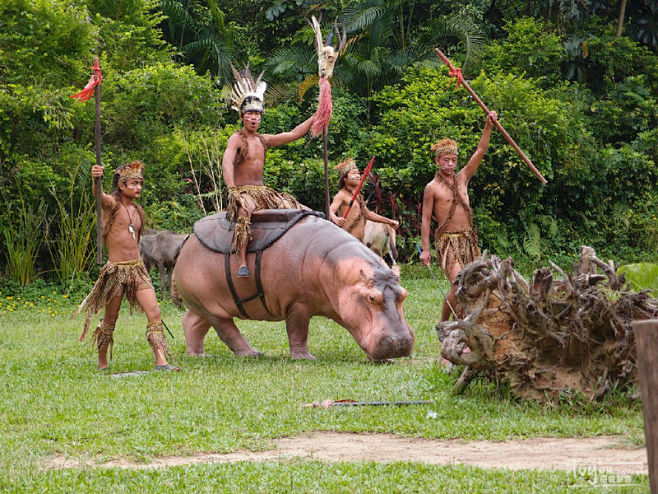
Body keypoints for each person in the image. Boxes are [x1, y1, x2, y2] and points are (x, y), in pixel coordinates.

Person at [73, 161, 178, 371]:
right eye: (134, 183)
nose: (138, 187)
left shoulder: (137, 211)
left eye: (140, 183)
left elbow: (135, 240)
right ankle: (102, 362)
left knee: (155, 313)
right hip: (116, 271)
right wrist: (96, 180)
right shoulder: (112, 204)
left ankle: (161, 361)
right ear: (122, 185)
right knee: (110, 319)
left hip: (138, 269)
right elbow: (99, 197)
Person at [223, 66, 315, 277]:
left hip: (263, 192)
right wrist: (232, 190)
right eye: (250, 114)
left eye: (257, 114)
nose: (254, 118)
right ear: (242, 116)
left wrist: (317, 115)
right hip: (244, 193)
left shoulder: (263, 140)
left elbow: (293, 134)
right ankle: (241, 261)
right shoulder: (236, 139)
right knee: (245, 210)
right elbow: (227, 162)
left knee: (297, 207)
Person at [420, 111, 497, 323]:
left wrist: (488, 125)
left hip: (468, 240)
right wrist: (426, 249)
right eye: (445, 160)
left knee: (475, 285)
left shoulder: (462, 179)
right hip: (448, 243)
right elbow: (426, 220)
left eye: (453, 160)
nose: (450, 164)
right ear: (437, 161)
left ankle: (468, 325)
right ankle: (444, 325)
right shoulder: (432, 188)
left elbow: (481, 150)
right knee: (458, 285)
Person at [329, 158, 398, 242]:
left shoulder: (358, 197)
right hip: (347, 241)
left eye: (358, 173)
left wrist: (389, 221)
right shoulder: (341, 195)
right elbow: (330, 209)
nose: (358, 176)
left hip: (360, 242)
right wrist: (335, 218)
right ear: (345, 178)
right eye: (354, 173)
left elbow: (368, 214)